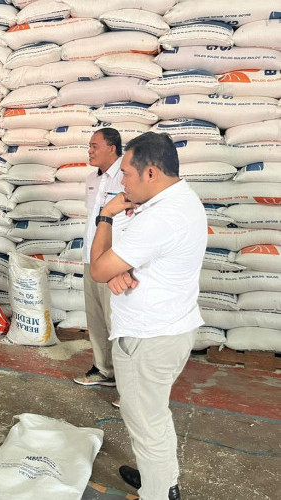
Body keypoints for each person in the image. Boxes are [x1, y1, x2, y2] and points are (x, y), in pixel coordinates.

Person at [90, 132, 206, 500]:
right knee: (154, 417)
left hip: (148, 338)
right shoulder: (178, 201)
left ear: (151, 173)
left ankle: (159, 492)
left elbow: (97, 268)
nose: (121, 182)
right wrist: (115, 270)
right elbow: (117, 265)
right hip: (169, 328)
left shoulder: (162, 216)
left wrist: (105, 216)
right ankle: (159, 476)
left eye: (125, 173)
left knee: (147, 423)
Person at [73, 128, 128, 402]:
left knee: (117, 321)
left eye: (94, 146)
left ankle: (128, 384)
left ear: (113, 148)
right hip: (91, 258)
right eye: (89, 146)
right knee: (95, 318)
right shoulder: (91, 180)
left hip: (115, 260)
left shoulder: (128, 175)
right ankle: (103, 369)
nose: (90, 151)